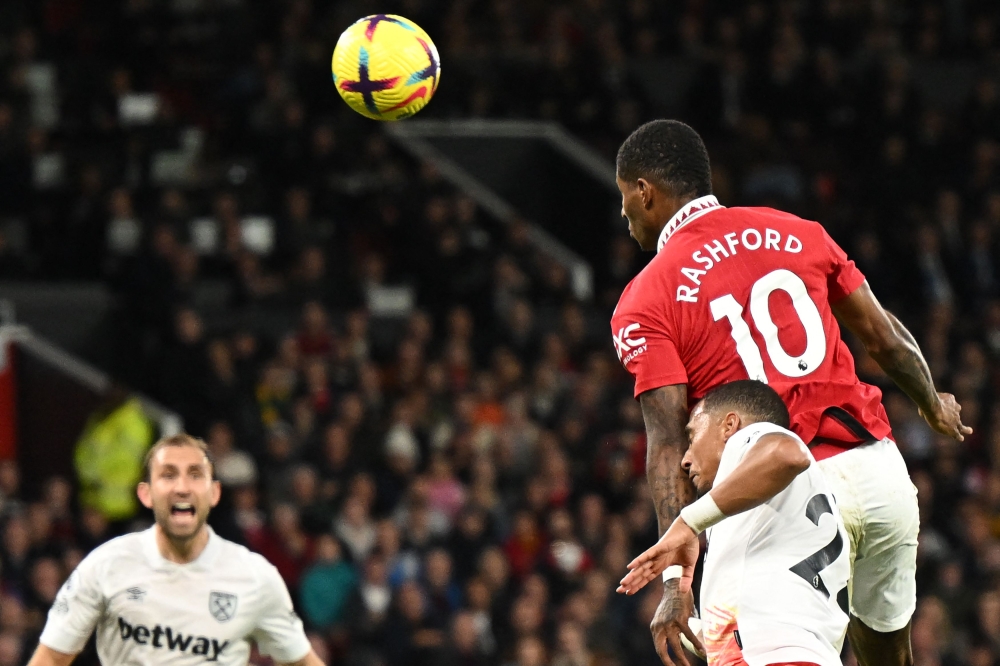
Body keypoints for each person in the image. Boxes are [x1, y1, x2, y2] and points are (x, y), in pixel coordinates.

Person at [610, 119, 970, 666]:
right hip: (879, 472)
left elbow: (665, 441)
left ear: (644, 191)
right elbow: (882, 335)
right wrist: (931, 402)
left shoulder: (645, 298)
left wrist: (678, 574)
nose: (623, 214)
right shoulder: (797, 230)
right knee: (888, 649)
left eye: (623, 198)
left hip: (779, 494)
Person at [26, 433, 326, 666]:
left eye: (195, 475)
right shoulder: (104, 565)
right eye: (168, 475)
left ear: (214, 493)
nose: (182, 487)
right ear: (146, 494)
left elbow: (301, 659)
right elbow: (51, 657)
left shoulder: (255, 575)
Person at [617, 380, 850, 666]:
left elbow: (788, 453)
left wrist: (687, 522)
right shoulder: (766, 510)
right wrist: (692, 628)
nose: (685, 460)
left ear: (729, 425)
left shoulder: (747, 437)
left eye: (691, 438)